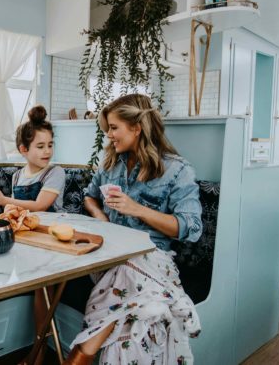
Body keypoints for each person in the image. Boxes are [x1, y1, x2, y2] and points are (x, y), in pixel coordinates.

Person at [64, 94, 202, 365]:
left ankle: (83, 351)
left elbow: (191, 228)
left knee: (145, 307)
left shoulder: (176, 170)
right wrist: (100, 215)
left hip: (152, 259)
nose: (110, 137)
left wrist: (137, 209)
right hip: (110, 256)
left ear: (137, 127)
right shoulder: (110, 165)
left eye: (114, 128)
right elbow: (89, 195)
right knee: (129, 280)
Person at [0, 105, 66, 364]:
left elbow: (42, 206)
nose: (47, 151)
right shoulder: (18, 176)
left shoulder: (55, 173)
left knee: (42, 290)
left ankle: (40, 352)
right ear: (24, 150)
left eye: (50, 145)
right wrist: (8, 209)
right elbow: (18, 212)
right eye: (40, 146)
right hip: (26, 238)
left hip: (51, 239)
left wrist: (3, 200)